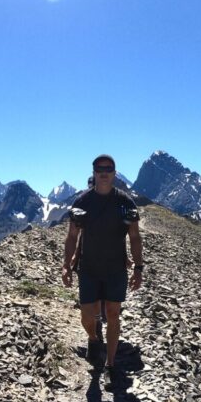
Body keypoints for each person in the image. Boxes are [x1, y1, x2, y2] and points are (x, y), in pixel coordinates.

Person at [61, 155, 144, 384]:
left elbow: (135, 237)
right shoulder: (82, 202)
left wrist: (138, 268)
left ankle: (110, 365)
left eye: (108, 169)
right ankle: (93, 338)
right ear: (94, 172)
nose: (104, 172)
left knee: (114, 313)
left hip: (116, 268)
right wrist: (67, 265)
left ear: (115, 173)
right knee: (87, 316)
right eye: (99, 169)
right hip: (88, 268)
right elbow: (71, 236)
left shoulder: (126, 203)